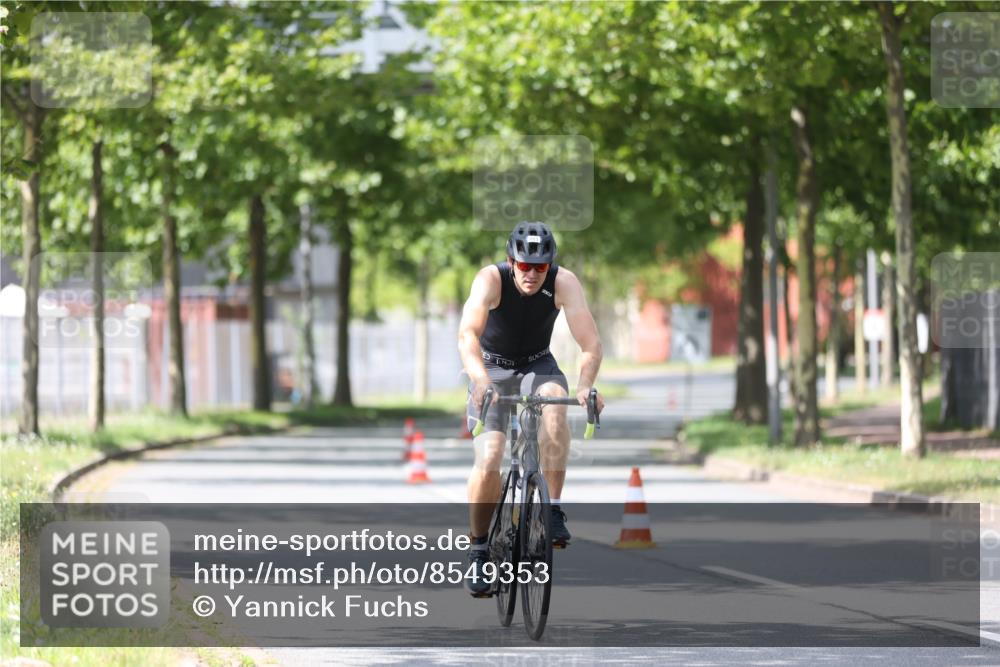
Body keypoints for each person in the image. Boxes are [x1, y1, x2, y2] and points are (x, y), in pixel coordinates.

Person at [457, 221, 604, 596]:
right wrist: (480, 381)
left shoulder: (564, 282)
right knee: (489, 455)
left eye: (541, 267)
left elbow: (590, 344)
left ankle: (551, 508)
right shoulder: (490, 279)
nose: (533, 274)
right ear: (511, 261)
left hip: (538, 362)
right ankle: (478, 549)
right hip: (491, 366)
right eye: (524, 266)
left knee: (556, 407)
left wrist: (586, 386)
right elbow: (467, 335)